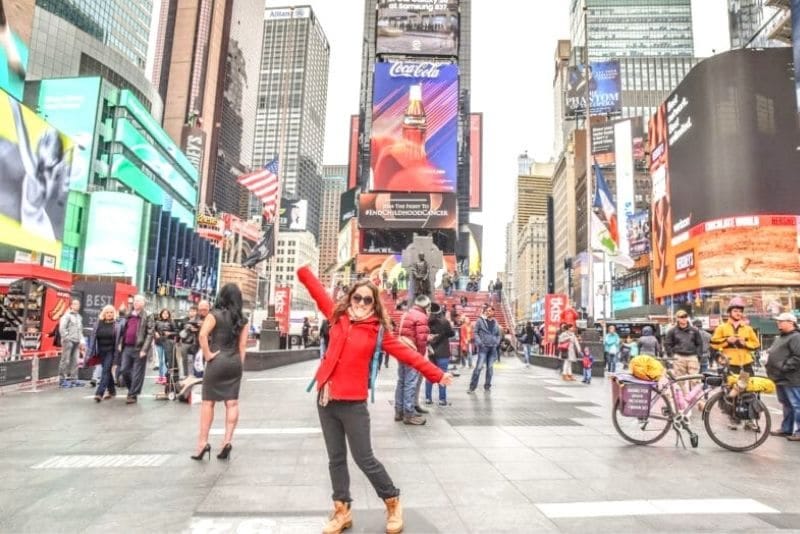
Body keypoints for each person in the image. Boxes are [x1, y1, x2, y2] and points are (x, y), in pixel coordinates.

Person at [296, 265, 452, 534]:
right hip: (326, 399)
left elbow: (408, 355)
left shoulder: (377, 330)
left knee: (364, 458)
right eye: (357, 298)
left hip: (353, 403)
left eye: (368, 299)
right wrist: (303, 272)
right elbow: (318, 292)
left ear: (374, 302)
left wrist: (437, 374)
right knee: (335, 458)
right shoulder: (337, 316)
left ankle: (392, 501)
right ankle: (341, 510)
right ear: (350, 298)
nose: (361, 303)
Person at [192, 283, 249, 461]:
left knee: (208, 403)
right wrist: (239, 364)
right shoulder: (243, 319)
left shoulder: (214, 315)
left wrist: (208, 354)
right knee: (232, 403)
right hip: (234, 362)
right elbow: (243, 346)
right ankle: (227, 441)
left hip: (217, 360)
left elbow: (202, 335)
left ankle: (202, 444)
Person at [395, 294, 431, 425]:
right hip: (413, 352)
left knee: (402, 381)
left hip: (402, 350)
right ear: (426, 306)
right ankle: (409, 413)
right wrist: (420, 357)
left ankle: (399, 411)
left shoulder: (407, 313)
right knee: (410, 382)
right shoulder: (422, 317)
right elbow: (421, 340)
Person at [765, 313, 800, 441]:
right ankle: (786, 429)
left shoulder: (796, 337)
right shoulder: (782, 337)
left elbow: (797, 357)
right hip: (781, 377)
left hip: (792, 378)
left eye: (781, 321)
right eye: (778, 321)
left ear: (791, 323)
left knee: (796, 404)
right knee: (786, 404)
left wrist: (784, 367)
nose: (778, 323)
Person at [118, 295, 155, 404]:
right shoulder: (129, 314)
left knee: (137, 372)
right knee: (124, 370)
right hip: (127, 347)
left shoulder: (148, 315)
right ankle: (132, 389)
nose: (135, 303)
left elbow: (150, 333)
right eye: (134, 301)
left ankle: (133, 394)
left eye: (138, 301)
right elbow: (124, 330)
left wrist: (145, 349)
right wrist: (121, 343)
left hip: (139, 348)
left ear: (143, 303)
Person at [711, 296, 760, 375]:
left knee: (748, 387)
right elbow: (713, 344)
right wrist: (727, 341)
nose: (738, 313)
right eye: (735, 311)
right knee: (730, 387)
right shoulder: (721, 328)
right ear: (729, 312)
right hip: (728, 365)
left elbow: (756, 344)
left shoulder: (748, 329)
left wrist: (745, 344)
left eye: (740, 311)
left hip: (746, 366)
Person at [664, 310, 704, 396]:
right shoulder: (672, 331)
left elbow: (699, 343)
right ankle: (684, 399)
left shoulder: (694, 330)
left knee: (695, 380)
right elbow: (667, 343)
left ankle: (697, 400)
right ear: (677, 318)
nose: (684, 319)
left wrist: (698, 355)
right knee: (679, 381)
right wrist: (671, 355)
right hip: (679, 357)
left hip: (692, 356)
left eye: (685, 316)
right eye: (681, 317)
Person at [86, 305, 120, 402]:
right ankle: (112, 390)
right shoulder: (98, 323)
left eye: (111, 312)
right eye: (107, 312)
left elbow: (119, 339)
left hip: (111, 351)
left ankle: (99, 393)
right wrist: (90, 352)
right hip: (101, 351)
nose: (109, 314)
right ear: (103, 313)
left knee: (105, 371)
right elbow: (93, 338)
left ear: (114, 314)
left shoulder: (116, 325)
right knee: (107, 371)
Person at [468, 305, 501, 393]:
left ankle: (487, 386)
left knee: (490, 368)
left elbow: (498, 334)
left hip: (492, 348)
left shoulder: (496, 322)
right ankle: (472, 387)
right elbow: (475, 332)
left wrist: (496, 342)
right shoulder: (480, 321)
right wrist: (479, 343)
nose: (488, 312)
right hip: (483, 348)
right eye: (487, 310)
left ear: (493, 312)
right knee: (478, 368)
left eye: (490, 310)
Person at [426, 303, 454, 406]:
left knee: (429, 376)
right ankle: (442, 399)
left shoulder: (427, 322)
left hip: (431, 352)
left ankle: (428, 398)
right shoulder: (444, 322)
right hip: (443, 352)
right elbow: (452, 333)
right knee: (442, 375)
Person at [58, 299, 84, 387]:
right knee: (65, 360)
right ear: (71, 305)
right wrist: (66, 338)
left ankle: (74, 379)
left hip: (76, 341)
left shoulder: (79, 317)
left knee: (75, 361)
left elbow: (80, 330)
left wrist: (81, 341)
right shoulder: (67, 316)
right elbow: (62, 328)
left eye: (78, 304)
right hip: (68, 341)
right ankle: (62, 380)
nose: (77, 306)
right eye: (75, 304)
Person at [154, 309, 177, 385]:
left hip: (168, 343)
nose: (165, 315)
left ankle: (165, 376)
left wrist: (169, 333)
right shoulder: (157, 322)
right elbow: (152, 330)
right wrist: (155, 333)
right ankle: (161, 376)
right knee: (160, 360)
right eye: (164, 313)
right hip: (159, 343)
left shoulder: (172, 322)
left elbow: (176, 332)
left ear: (168, 314)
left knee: (166, 360)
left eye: (167, 313)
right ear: (161, 314)